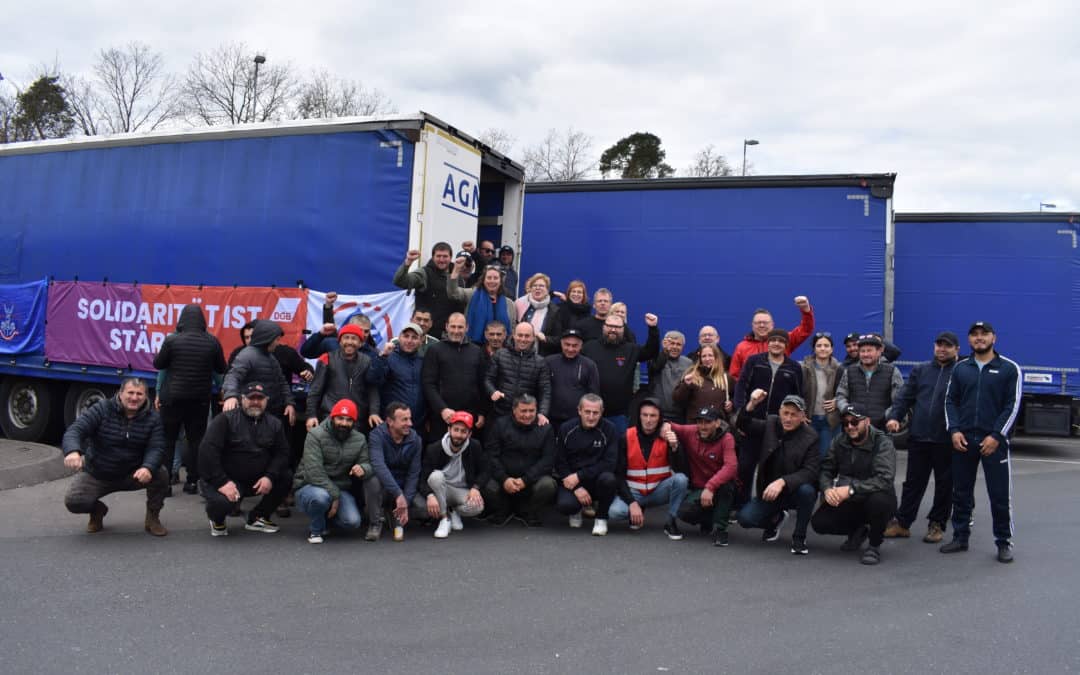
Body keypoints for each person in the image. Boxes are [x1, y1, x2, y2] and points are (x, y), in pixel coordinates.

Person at [941, 322, 1021, 563]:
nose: (979, 338)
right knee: (961, 491)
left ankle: (1003, 542)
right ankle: (960, 536)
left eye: (984, 334)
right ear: (969, 341)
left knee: (999, 494)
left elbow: (1012, 405)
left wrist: (997, 436)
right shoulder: (960, 368)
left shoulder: (1009, 368)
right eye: (974, 335)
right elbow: (950, 401)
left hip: (993, 442)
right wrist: (953, 430)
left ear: (994, 338)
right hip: (964, 439)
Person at [61, 378, 168, 536]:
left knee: (161, 474)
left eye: (139, 394)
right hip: (99, 472)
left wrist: (147, 467)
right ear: (120, 393)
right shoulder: (102, 409)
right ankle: (97, 511)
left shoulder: (153, 418)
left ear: (146, 396)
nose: (134, 397)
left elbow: (157, 447)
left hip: (133, 473)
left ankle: (153, 517)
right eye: (130, 393)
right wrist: (72, 451)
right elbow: (75, 430)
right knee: (74, 501)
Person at [883, 331, 960, 544]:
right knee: (913, 483)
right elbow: (904, 397)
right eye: (939, 345)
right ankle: (903, 523)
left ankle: (936, 524)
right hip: (919, 437)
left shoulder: (961, 372)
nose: (942, 349)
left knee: (945, 485)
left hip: (946, 439)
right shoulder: (921, 370)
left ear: (957, 349)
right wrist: (895, 416)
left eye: (948, 346)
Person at [199, 382, 293, 536]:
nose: (255, 402)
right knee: (221, 503)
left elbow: (282, 453)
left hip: (256, 481)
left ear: (266, 400)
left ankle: (258, 517)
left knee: (285, 476)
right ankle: (217, 519)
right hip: (227, 480)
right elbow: (207, 453)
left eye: (260, 398)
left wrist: (270, 476)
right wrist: (222, 482)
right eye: (251, 398)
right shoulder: (225, 420)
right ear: (242, 399)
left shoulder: (275, 424)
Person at [152, 304, 227, 494]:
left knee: (168, 440)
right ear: (202, 321)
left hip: (172, 399)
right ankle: (192, 482)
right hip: (199, 400)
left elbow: (159, 364)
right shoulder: (212, 342)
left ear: (181, 320)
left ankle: (166, 483)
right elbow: (220, 368)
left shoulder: (171, 340)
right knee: (196, 441)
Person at [811, 406, 897, 565]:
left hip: (876, 496)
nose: (850, 427)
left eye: (855, 422)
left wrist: (851, 489)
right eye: (845, 423)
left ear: (867, 421)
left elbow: (884, 479)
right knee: (819, 523)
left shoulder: (882, 443)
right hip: (851, 499)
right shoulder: (839, 441)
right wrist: (827, 489)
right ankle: (858, 530)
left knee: (879, 501)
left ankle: (874, 545)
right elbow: (826, 470)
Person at [736, 393, 820, 555]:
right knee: (745, 519)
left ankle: (799, 536)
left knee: (807, 491)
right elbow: (743, 424)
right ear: (780, 412)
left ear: (803, 417)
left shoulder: (811, 437)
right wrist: (751, 404)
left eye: (794, 415)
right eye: (785, 413)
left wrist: (783, 481)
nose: (788, 419)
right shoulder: (771, 423)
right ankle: (776, 519)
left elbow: (811, 471)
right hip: (769, 492)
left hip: (795, 491)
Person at [732, 329, 804, 507]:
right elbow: (741, 387)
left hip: (778, 426)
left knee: (772, 469)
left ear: (786, 345)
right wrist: (742, 412)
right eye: (773, 340)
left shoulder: (794, 367)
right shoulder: (754, 362)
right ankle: (741, 505)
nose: (776, 344)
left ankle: (767, 508)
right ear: (767, 343)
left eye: (781, 341)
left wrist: (799, 417)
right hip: (752, 423)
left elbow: (798, 395)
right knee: (745, 467)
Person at [293, 399, 372, 544]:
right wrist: (334, 496)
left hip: (339, 487)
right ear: (332, 417)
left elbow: (367, 463)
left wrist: (363, 468)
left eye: (349, 420)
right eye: (340, 418)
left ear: (353, 422)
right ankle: (316, 530)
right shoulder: (315, 435)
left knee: (352, 522)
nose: (343, 423)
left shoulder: (359, 439)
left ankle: (324, 519)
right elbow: (314, 472)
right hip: (309, 485)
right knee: (321, 497)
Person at [608, 398, 689, 539]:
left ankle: (670, 521)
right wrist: (632, 503)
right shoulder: (626, 437)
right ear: (639, 416)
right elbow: (618, 475)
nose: (648, 420)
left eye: (653, 416)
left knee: (681, 480)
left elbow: (682, 469)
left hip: (658, 491)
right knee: (615, 512)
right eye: (645, 415)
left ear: (660, 419)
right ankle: (638, 509)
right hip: (635, 492)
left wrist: (675, 447)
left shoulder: (667, 436)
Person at [668, 407, 738, 546]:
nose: (702, 426)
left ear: (717, 423)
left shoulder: (727, 438)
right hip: (699, 488)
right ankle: (708, 519)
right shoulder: (692, 431)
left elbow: (731, 467)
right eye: (700, 422)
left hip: (720, 486)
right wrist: (665, 428)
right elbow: (670, 425)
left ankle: (721, 529)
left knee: (726, 487)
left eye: (707, 422)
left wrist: (710, 487)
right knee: (684, 512)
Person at [483, 394, 557, 526]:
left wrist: (526, 480)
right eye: (523, 411)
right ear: (514, 410)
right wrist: (504, 478)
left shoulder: (546, 428)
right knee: (485, 482)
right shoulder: (500, 424)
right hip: (503, 482)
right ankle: (502, 510)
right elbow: (490, 455)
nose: (528, 415)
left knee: (548, 485)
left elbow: (548, 460)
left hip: (530, 482)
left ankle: (528, 511)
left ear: (536, 410)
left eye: (531, 411)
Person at [582, 312, 659, 435]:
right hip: (592, 412)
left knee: (618, 449)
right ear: (603, 327)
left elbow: (651, 351)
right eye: (609, 326)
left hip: (619, 415)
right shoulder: (589, 347)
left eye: (617, 327)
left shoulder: (631, 349)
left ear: (623, 329)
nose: (613, 330)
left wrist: (653, 328)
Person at [554, 394, 619, 536]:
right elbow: (560, 462)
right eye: (587, 412)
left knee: (609, 479)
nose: (591, 416)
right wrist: (576, 486)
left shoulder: (610, 429)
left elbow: (609, 463)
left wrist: (580, 475)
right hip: (573, 483)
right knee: (565, 505)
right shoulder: (566, 428)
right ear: (579, 411)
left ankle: (601, 518)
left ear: (601, 412)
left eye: (595, 413)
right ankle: (576, 510)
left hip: (596, 480)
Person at [417, 411, 487, 538]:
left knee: (478, 506)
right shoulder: (434, 448)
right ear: (449, 429)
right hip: (440, 489)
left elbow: (485, 470)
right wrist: (429, 495)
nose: (459, 435)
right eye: (456, 430)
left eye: (463, 431)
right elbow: (422, 479)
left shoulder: (475, 446)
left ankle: (453, 510)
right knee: (435, 476)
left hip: (461, 490)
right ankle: (444, 519)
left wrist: (476, 487)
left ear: (469, 434)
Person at [422, 312, 488, 443]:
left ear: (467, 328)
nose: (456, 331)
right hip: (442, 416)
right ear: (446, 327)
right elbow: (428, 383)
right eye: (453, 326)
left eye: (460, 327)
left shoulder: (476, 351)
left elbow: (482, 384)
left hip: (470, 416)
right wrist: (442, 409)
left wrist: (481, 412)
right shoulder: (435, 350)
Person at [364, 402, 424, 542]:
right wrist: (398, 494)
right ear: (390, 421)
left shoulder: (416, 440)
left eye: (409, 418)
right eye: (404, 420)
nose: (410, 423)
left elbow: (413, 474)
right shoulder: (376, 436)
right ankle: (375, 523)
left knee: (424, 510)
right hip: (384, 486)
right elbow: (379, 466)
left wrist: (405, 502)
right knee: (372, 480)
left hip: (403, 487)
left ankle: (394, 514)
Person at [305, 323, 378, 434]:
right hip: (330, 417)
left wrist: (374, 412)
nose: (349, 342)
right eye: (346, 338)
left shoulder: (367, 361)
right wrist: (311, 415)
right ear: (339, 341)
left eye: (354, 339)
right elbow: (315, 390)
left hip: (356, 420)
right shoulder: (327, 358)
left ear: (360, 343)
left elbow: (372, 390)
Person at [221, 319, 296, 426]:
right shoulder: (247, 355)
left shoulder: (271, 357)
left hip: (269, 414)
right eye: (276, 339)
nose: (277, 343)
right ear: (268, 339)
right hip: (251, 414)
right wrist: (231, 396)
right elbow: (232, 376)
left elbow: (282, 382)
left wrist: (289, 403)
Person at [728, 297, 814, 379]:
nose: (762, 325)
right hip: (751, 394)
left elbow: (805, 330)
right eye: (758, 323)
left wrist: (806, 310)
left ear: (772, 325)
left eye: (765, 322)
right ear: (752, 325)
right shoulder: (741, 347)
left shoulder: (783, 340)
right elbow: (734, 376)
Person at [833, 333, 904, 430]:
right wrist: (847, 410)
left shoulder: (892, 372)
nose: (866, 354)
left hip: (882, 430)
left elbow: (899, 401)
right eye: (862, 351)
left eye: (869, 351)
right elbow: (840, 395)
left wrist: (887, 416)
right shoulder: (849, 371)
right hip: (854, 429)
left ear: (879, 351)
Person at [393, 243, 463, 338]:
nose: (441, 260)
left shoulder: (458, 275)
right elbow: (400, 281)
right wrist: (408, 262)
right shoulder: (424, 273)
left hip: (450, 334)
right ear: (433, 257)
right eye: (438, 256)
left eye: (445, 256)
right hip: (426, 334)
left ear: (451, 257)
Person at [485, 322, 551, 423]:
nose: (523, 339)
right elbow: (488, 378)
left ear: (533, 338)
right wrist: (492, 391)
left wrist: (542, 413)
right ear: (513, 335)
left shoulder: (540, 362)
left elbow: (545, 391)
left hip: (526, 417)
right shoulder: (500, 355)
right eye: (520, 335)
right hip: (500, 413)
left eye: (527, 336)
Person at [367, 322, 426, 429]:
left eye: (414, 337)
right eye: (406, 336)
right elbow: (372, 379)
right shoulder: (389, 358)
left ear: (421, 341)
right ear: (399, 337)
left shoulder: (424, 362)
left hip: (417, 424)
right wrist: (383, 356)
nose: (409, 341)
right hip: (392, 424)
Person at [448, 259, 518, 344]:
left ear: (500, 282)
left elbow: (512, 328)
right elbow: (453, 293)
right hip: (473, 346)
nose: (492, 281)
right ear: (483, 280)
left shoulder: (510, 304)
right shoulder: (472, 294)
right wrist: (456, 270)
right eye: (489, 278)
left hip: (502, 349)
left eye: (495, 278)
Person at [545, 328, 600, 431]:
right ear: (561, 343)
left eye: (575, 346)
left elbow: (594, 395)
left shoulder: (589, 365)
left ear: (581, 346)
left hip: (577, 421)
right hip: (551, 419)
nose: (570, 349)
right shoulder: (549, 362)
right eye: (567, 344)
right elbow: (542, 389)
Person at [801, 332, 842, 456]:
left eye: (826, 345)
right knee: (808, 455)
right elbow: (797, 392)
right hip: (808, 419)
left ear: (832, 349)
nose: (823, 348)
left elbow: (847, 392)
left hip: (830, 420)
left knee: (826, 456)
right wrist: (800, 412)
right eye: (819, 345)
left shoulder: (840, 369)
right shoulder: (804, 368)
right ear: (814, 348)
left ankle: (825, 476)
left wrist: (837, 401)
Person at [673, 343, 734, 423]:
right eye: (704, 356)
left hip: (718, 426)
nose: (707, 359)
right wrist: (685, 385)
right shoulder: (691, 374)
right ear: (700, 359)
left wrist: (731, 405)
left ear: (716, 357)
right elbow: (678, 399)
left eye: (710, 355)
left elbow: (736, 397)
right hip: (695, 425)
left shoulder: (726, 378)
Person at [646, 330, 693, 424]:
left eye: (678, 344)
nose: (675, 347)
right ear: (665, 344)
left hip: (680, 415)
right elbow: (655, 367)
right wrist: (665, 352)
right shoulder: (655, 358)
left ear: (683, 347)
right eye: (672, 343)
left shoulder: (689, 363)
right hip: (658, 413)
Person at [515, 273, 561, 355]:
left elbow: (558, 339)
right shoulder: (519, 304)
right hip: (519, 354)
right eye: (534, 286)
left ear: (547, 290)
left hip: (542, 356)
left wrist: (545, 338)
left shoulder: (555, 311)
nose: (538, 288)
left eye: (541, 286)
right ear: (530, 289)